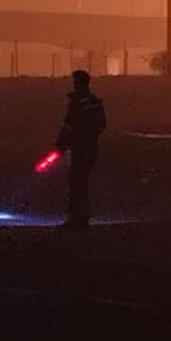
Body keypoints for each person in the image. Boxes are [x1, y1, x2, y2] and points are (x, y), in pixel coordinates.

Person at [55, 70, 106, 229]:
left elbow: (70, 125)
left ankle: (77, 217)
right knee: (81, 181)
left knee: (75, 182)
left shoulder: (78, 103)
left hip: (80, 147)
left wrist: (62, 144)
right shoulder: (95, 102)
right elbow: (101, 124)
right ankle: (81, 216)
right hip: (90, 146)